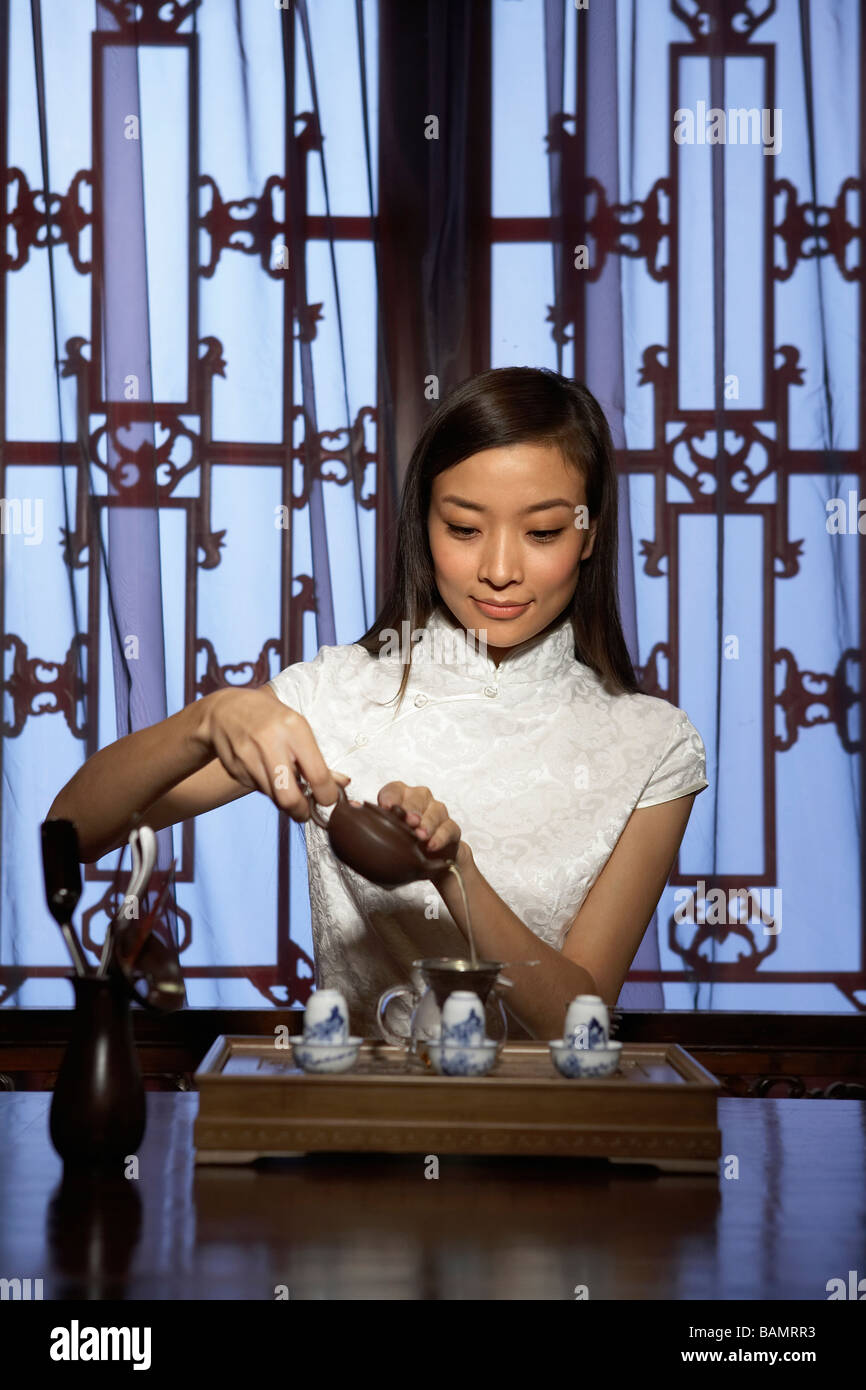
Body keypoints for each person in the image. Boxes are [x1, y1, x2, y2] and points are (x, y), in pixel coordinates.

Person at [48, 366, 707, 1041]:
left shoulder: (653, 743)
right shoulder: (334, 696)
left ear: (590, 533)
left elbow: (579, 1024)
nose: (501, 569)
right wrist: (207, 718)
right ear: (424, 526)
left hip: (545, 1136)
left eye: (542, 533)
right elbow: (74, 831)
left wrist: (452, 873)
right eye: (464, 528)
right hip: (356, 1125)